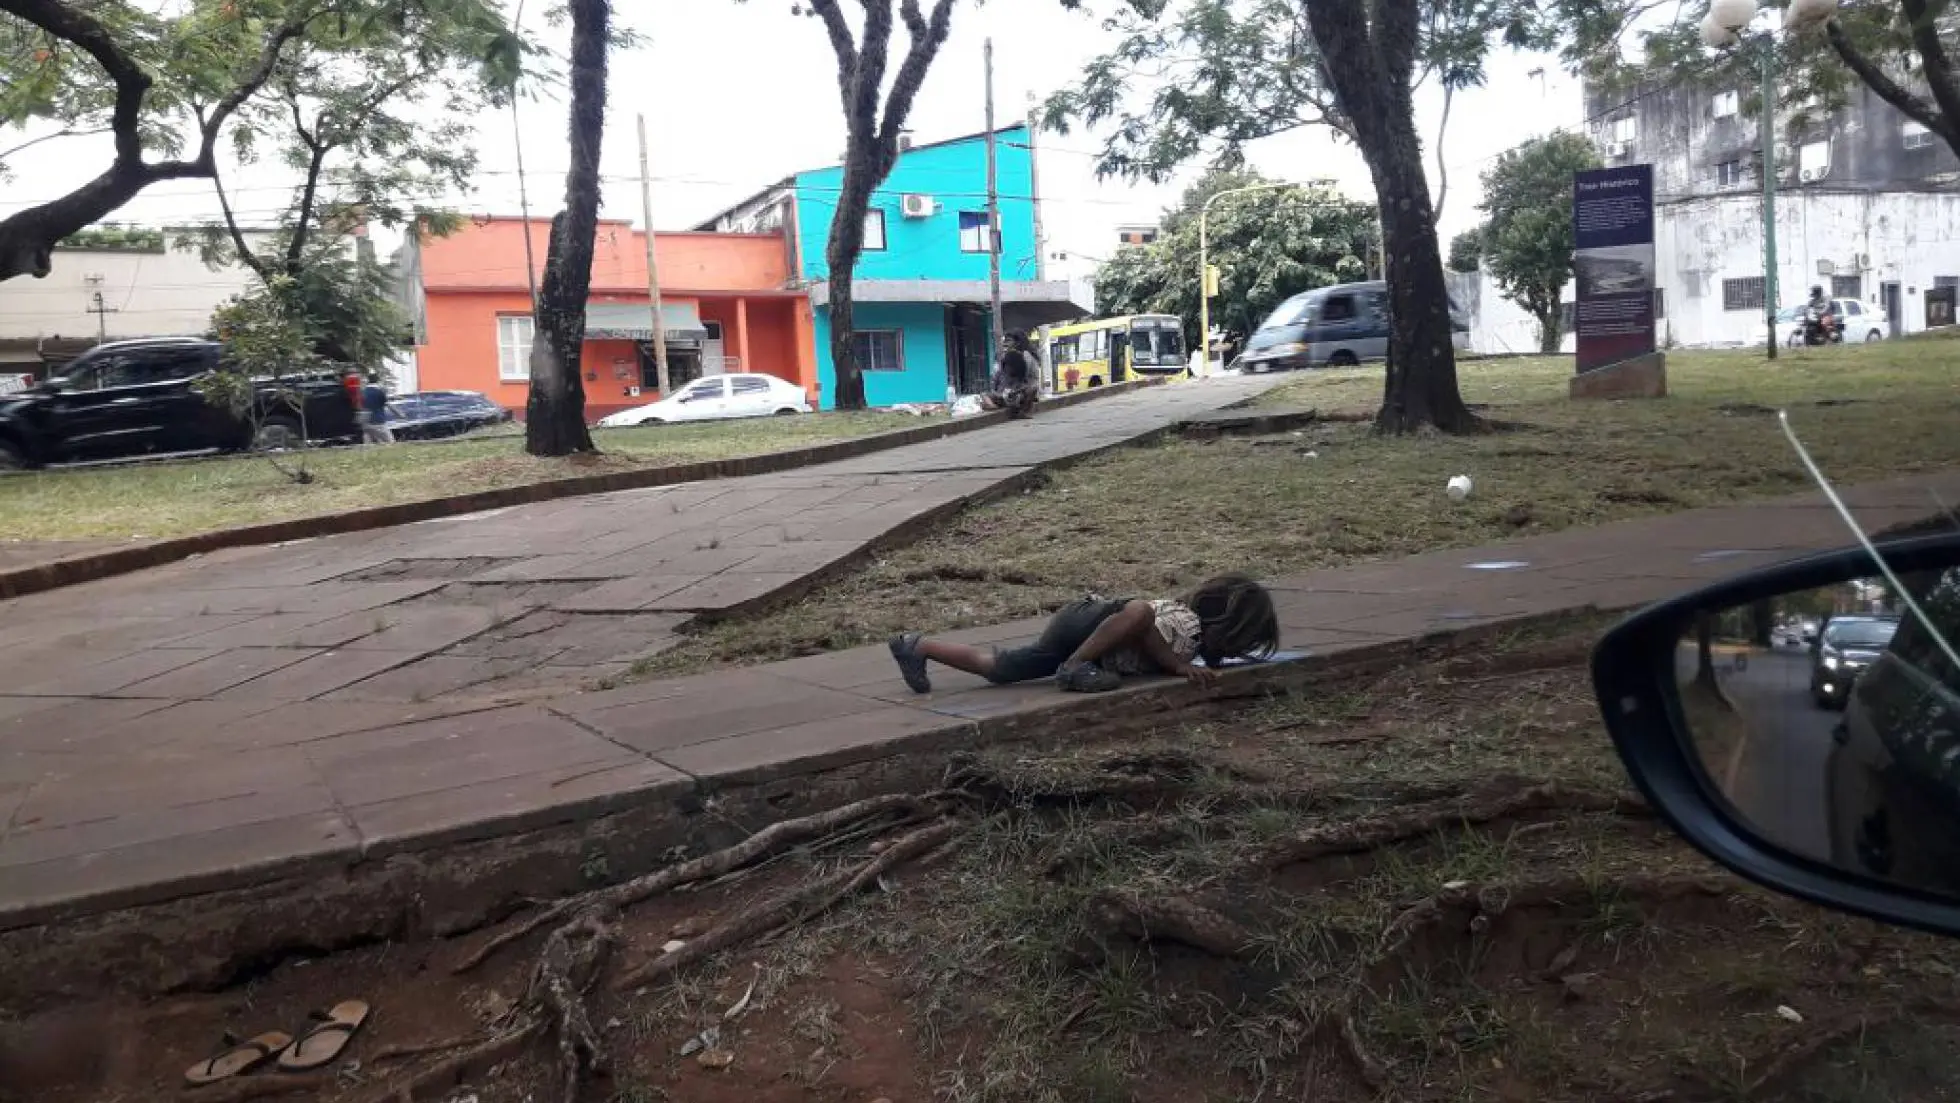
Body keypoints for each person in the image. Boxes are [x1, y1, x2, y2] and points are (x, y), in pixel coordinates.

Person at [888, 573, 1280, 695]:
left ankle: (918, 647)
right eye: (1240, 644)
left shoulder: (1188, 639)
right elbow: (1141, 619)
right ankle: (1075, 667)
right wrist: (1176, 667)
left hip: (1075, 628)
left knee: (1002, 668)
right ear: (1224, 627)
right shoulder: (1185, 624)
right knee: (1139, 610)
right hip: (1092, 621)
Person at [982, 331, 1039, 418]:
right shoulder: (1003, 365)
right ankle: (992, 406)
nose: (1005, 343)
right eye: (1005, 341)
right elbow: (996, 383)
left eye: (1008, 341)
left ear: (1017, 342)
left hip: (1017, 395)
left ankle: (1023, 411)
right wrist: (998, 393)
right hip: (1003, 395)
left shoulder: (1025, 357)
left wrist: (1017, 392)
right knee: (985, 395)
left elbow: (1027, 383)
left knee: (1032, 389)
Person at [358, 378, 394, 444]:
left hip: (366, 423)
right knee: (390, 442)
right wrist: (400, 414)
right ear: (378, 381)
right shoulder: (379, 392)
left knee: (368, 444)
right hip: (379, 422)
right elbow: (389, 405)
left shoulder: (362, 392)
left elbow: (359, 407)